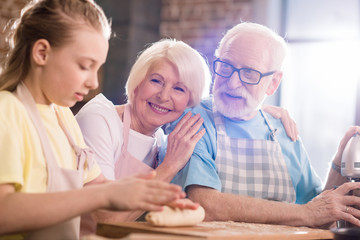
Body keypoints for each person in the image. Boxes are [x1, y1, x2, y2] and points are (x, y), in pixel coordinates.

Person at [0, 1, 195, 239]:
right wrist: (105, 195)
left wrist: (152, 194)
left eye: (98, 68)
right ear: (42, 53)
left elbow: (97, 185)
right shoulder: (7, 111)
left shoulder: (62, 117)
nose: (94, 82)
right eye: (85, 66)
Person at [75, 38, 298, 232]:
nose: (164, 96)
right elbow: (103, 220)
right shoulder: (100, 119)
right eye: (156, 81)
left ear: (190, 102)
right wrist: (169, 167)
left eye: (179, 89)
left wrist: (259, 112)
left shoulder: (162, 141)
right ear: (138, 80)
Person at [163, 22, 360, 228]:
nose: (232, 83)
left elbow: (318, 214)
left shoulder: (283, 130)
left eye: (249, 73)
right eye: (226, 66)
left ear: (273, 83)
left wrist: (338, 164)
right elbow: (204, 203)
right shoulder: (193, 119)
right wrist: (304, 213)